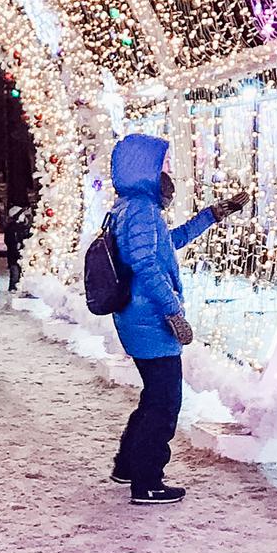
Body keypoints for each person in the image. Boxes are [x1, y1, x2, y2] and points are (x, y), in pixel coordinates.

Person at [106, 134, 248, 505]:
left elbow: (167, 243)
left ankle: (128, 465)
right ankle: (148, 481)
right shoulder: (141, 210)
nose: (167, 176)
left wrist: (211, 216)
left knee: (155, 397)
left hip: (139, 316)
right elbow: (146, 264)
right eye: (162, 168)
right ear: (145, 171)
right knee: (165, 402)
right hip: (150, 319)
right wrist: (172, 310)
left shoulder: (130, 208)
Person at [4, 205, 32, 292]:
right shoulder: (12, 228)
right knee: (15, 272)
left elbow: (27, 236)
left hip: (22, 253)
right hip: (14, 255)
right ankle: (13, 287)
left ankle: (20, 287)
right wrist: (16, 244)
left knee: (22, 271)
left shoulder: (24, 226)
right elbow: (9, 241)